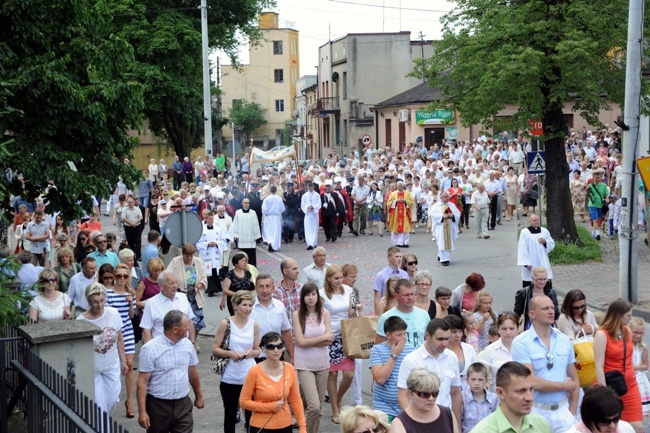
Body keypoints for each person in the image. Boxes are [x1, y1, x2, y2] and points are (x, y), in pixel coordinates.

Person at [511, 296, 579, 432]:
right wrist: (563, 386)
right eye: (545, 308)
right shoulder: (521, 342)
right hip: (536, 410)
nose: (551, 311)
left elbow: (574, 378)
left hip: (563, 411)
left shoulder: (564, 340)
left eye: (552, 308)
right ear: (532, 314)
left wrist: (571, 412)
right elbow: (530, 381)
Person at [137, 310, 204, 432]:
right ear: (175, 329)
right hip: (158, 407)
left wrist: (199, 396)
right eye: (185, 326)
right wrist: (142, 412)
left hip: (183, 404)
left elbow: (192, 372)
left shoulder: (188, 345)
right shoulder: (150, 349)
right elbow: (142, 382)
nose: (189, 328)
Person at [77, 283, 128, 416]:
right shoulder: (81, 320)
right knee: (99, 406)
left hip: (112, 365)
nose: (99, 305)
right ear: (89, 301)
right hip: (93, 369)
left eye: (102, 301)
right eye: (95, 302)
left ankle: (103, 425)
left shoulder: (113, 313)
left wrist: (123, 360)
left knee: (112, 401)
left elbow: (120, 339)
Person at [240, 332, 308, 433]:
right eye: (271, 347)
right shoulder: (254, 372)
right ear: (263, 349)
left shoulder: (289, 369)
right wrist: (269, 407)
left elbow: (295, 399)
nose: (276, 350)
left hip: (285, 425)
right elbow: (243, 401)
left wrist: (302, 427)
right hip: (261, 426)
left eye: (279, 346)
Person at [397, 319, 463, 423]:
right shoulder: (411, 360)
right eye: (440, 339)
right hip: (421, 421)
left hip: (446, 420)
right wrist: (414, 422)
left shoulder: (452, 357)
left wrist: (457, 424)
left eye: (447, 339)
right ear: (427, 336)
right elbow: (403, 395)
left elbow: (455, 393)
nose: (444, 343)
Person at [212, 290, 260, 433]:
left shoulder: (254, 324)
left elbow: (257, 350)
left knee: (252, 413)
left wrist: (251, 353)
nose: (248, 308)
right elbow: (215, 348)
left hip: (249, 374)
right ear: (235, 306)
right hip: (230, 376)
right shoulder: (225, 323)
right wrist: (230, 354)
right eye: (244, 305)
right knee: (230, 413)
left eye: (250, 305)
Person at [593, 298, 643, 431]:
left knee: (637, 427)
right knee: (611, 428)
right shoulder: (602, 334)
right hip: (610, 386)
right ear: (618, 315)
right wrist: (604, 393)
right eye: (628, 315)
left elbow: (629, 356)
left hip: (630, 385)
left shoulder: (627, 330)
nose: (630, 318)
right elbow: (598, 366)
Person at [292, 283, 333, 433]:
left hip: (322, 363)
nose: (311, 298)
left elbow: (330, 340)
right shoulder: (297, 315)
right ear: (302, 297)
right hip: (304, 365)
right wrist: (322, 339)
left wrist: (308, 342)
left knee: (319, 407)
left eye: (313, 294)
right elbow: (300, 342)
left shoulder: (325, 313)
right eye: (308, 294)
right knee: (313, 405)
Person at [319, 265, 357, 423]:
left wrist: (354, 310)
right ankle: (335, 408)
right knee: (332, 374)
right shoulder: (322, 294)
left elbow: (352, 308)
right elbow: (318, 314)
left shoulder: (347, 289)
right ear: (328, 278)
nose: (339, 281)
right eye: (336, 278)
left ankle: (338, 399)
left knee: (349, 374)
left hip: (346, 335)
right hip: (329, 336)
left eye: (341, 277)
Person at [468, 362, 552, 433]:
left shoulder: (542, 425)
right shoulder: (482, 431)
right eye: (521, 391)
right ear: (501, 393)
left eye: (531, 389)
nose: (529, 398)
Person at [105, 263, 136, 418]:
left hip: (128, 330)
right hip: (114, 332)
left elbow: (132, 316)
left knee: (129, 365)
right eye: (119, 276)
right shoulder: (109, 294)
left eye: (125, 276)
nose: (122, 278)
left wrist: (130, 302)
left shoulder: (130, 292)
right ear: (115, 277)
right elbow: (108, 315)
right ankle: (112, 398)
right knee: (115, 365)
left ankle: (129, 401)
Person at [370, 316, 416, 422]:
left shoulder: (410, 348)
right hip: (384, 407)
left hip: (405, 405)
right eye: (399, 335)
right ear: (388, 335)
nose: (404, 337)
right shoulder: (377, 349)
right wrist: (394, 355)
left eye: (405, 333)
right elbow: (380, 379)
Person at [391, 368, 460, 433]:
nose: (431, 398)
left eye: (435, 393)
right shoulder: (399, 424)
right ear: (410, 393)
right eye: (424, 394)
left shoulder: (447, 414)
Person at [139, 270, 196, 346]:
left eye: (176, 282)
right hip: (161, 347)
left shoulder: (183, 298)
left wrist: (193, 343)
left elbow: (190, 322)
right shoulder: (151, 303)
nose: (175, 286)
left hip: (183, 345)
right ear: (161, 286)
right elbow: (146, 330)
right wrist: (149, 350)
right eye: (171, 283)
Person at [167, 244, 208, 348]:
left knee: (198, 321)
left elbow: (204, 278)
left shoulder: (198, 262)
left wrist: (198, 286)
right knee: (183, 321)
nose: (189, 258)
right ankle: (183, 341)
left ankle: (194, 340)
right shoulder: (175, 262)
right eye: (186, 256)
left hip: (195, 295)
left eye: (191, 256)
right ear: (183, 254)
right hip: (182, 295)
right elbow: (168, 275)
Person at [250, 274, 294, 362]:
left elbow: (285, 331)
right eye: (261, 287)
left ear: (273, 288)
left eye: (268, 286)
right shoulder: (249, 307)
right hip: (255, 358)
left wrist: (292, 356)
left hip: (276, 355)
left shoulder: (279, 306)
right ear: (255, 288)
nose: (265, 290)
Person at [376, 279, 431, 348]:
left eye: (412, 294)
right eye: (406, 295)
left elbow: (429, 341)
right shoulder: (386, 317)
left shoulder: (424, 315)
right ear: (396, 296)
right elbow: (378, 346)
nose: (410, 298)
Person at [566, 386, 636, 433]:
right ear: (587, 419)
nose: (612, 426)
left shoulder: (626, 429)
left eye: (616, 419)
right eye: (604, 421)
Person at [477, 312, 518, 392]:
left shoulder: (525, 349)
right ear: (498, 329)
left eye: (512, 328)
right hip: (497, 398)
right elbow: (482, 376)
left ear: (517, 329)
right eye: (504, 329)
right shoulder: (490, 350)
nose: (508, 332)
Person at [513, 266, 560, 330]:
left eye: (544, 279)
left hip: (547, 328)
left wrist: (560, 331)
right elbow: (516, 315)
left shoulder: (551, 294)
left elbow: (556, 315)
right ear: (533, 278)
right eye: (539, 279)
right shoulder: (523, 293)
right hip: (528, 328)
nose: (542, 282)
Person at [517, 214, 555, 287]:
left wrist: (545, 242)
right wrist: (526, 263)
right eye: (534, 220)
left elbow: (551, 243)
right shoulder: (524, 232)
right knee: (530, 280)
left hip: (543, 260)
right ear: (530, 221)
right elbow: (522, 248)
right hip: (531, 262)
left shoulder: (544, 231)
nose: (536, 222)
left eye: (537, 220)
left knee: (544, 279)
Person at [461, 363, 498, 433]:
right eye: (473, 379)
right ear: (467, 380)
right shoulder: (462, 397)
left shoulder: (494, 399)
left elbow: (496, 421)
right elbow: (458, 420)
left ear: (486, 381)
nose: (477, 383)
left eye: (480, 380)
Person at [373, 247, 409, 316]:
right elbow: (377, 297)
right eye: (396, 257)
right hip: (387, 307)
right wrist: (377, 315)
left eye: (400, 257)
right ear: (389, 258)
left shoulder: (404, 274)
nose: (399, 259)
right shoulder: (381, 275)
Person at [445, 315, 477, 391]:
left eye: (460, 331)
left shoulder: (469, 349)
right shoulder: (441, 351)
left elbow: (475, 371)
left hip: (467, 392)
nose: (458, 335)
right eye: (454, 332)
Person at [197, 211, 226, 296]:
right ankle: (209, 290)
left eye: (212, 218)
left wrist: (217, 243)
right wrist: (207, 244)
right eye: (209, 219)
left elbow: (223, 240)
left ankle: (217, 288)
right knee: (208, 271)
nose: (211, 220)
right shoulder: (201, 229)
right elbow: (198, 242)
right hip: (207, 253)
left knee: (215, 270)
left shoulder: (218, 229)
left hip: (215, 252)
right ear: (205, 219)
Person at [430, 192, 461, 266]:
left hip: (450, 227)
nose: (447, 198)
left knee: (449, 241)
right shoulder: (436, 206)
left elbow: (458, 214)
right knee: (442, 241)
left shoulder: (452, 205)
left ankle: (441, 255)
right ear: (441, 198)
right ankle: (444, 259)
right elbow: (433, 215)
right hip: (440, 227)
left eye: (447, 196)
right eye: (445, 197)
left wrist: (452, 215)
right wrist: (442, 216)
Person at [629, 317, 650, 415]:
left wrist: (636, 367)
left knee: (641, 409)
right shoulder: (625, 345)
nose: (638, 335)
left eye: (641, 333)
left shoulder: (643, 347)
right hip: (628, 379)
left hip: (640, 379)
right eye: (635, 332)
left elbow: (646, 365)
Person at [231, 197, 261, 266]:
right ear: (242, 203)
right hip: (241, 238)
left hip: (250, 237)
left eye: (248, 203)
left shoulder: (253, 213)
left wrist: (256, 236)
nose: (247, 204)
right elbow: (235, 224)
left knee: (251, 255)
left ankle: (252, 268)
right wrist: (235, 235)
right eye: (245, 203)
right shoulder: (238, 213)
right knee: (242, 255)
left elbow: (256, 224)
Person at [386, 181, 415, 248]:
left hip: (405, 214)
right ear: (397, 186)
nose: (399, 187)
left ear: (403, 186)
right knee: (396, 227)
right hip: (396, 214)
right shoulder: (393, 194)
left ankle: (405, 242)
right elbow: (389, 202)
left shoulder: (407, 193)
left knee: (405, 227)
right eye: (398, 186)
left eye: (400, 186)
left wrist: (405, 201)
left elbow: (411, 201)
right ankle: (397, 242)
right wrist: (396, 201)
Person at [262, 185, 285, 252]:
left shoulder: (267, 199)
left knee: (269, 231)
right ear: (276, 190)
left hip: (268, 216)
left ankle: (270, 242)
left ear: (270, 190)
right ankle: (274, 245)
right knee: (275, 231)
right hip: (276, 217)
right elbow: (282, 208)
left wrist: (266, 213)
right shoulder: (279, 198)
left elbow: (264, 209)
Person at [587, 168, 609, 240]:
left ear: (601, 178)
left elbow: (606, 194)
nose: (597, 179)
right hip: (592, 205)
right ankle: (597, 233)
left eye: (598, 177)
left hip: (600, 205)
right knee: (595, 219)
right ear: (593, 177)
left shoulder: (604, 185)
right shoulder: (590, 185)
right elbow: (588, 194)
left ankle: (593, 233)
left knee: (598, 219)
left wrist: (607, 199)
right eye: (595, 177)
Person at [301, 181, 322, 250]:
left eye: (311, 187)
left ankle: (314, 243)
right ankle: (310, 244)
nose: (310, 188)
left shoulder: (317, 195)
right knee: (308, 229)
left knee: (314, 228)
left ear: (313, 187)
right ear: (307, 187)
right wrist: (307, 207)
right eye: (309, 187)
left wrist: (314, 207)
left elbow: (319, 204)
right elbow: (302, 205)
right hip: (308, 214)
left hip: (314, 214)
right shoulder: (304, 196)